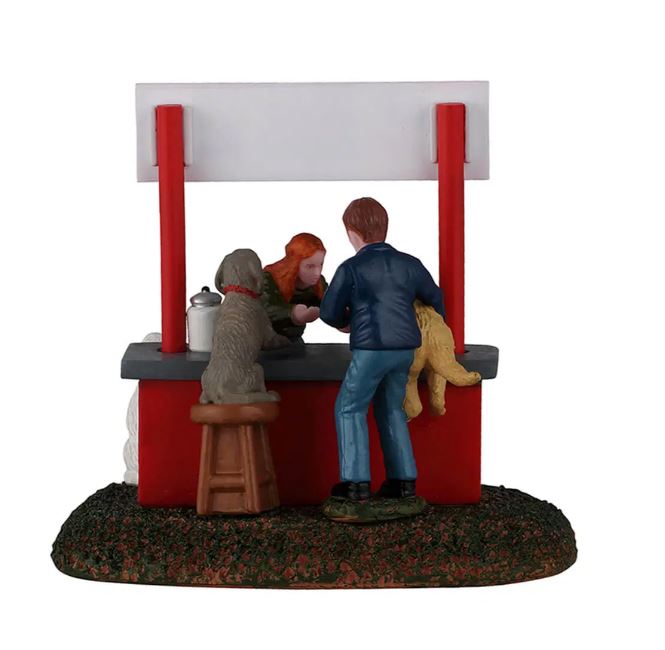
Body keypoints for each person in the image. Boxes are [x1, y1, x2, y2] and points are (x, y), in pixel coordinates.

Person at [320, 197, 445, 501]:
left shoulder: (351, 268)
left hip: (371, 347)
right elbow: (436, 298)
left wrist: (346, 322)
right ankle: (403, 480)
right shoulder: (410, 264)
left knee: (349, 408)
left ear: (351, 232)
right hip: (405, 349)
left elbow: (329, 312)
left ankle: (355, 482)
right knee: (391, 409)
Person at [262, 233, 328, 342]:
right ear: (295, 263)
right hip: (265, 339)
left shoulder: (318, 283)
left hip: (294, 339)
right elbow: (265, 309)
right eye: (310, 266)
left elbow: (330, 301)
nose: (317, 273)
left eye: (321, 264)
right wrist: (294, 314)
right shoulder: (269, 279)